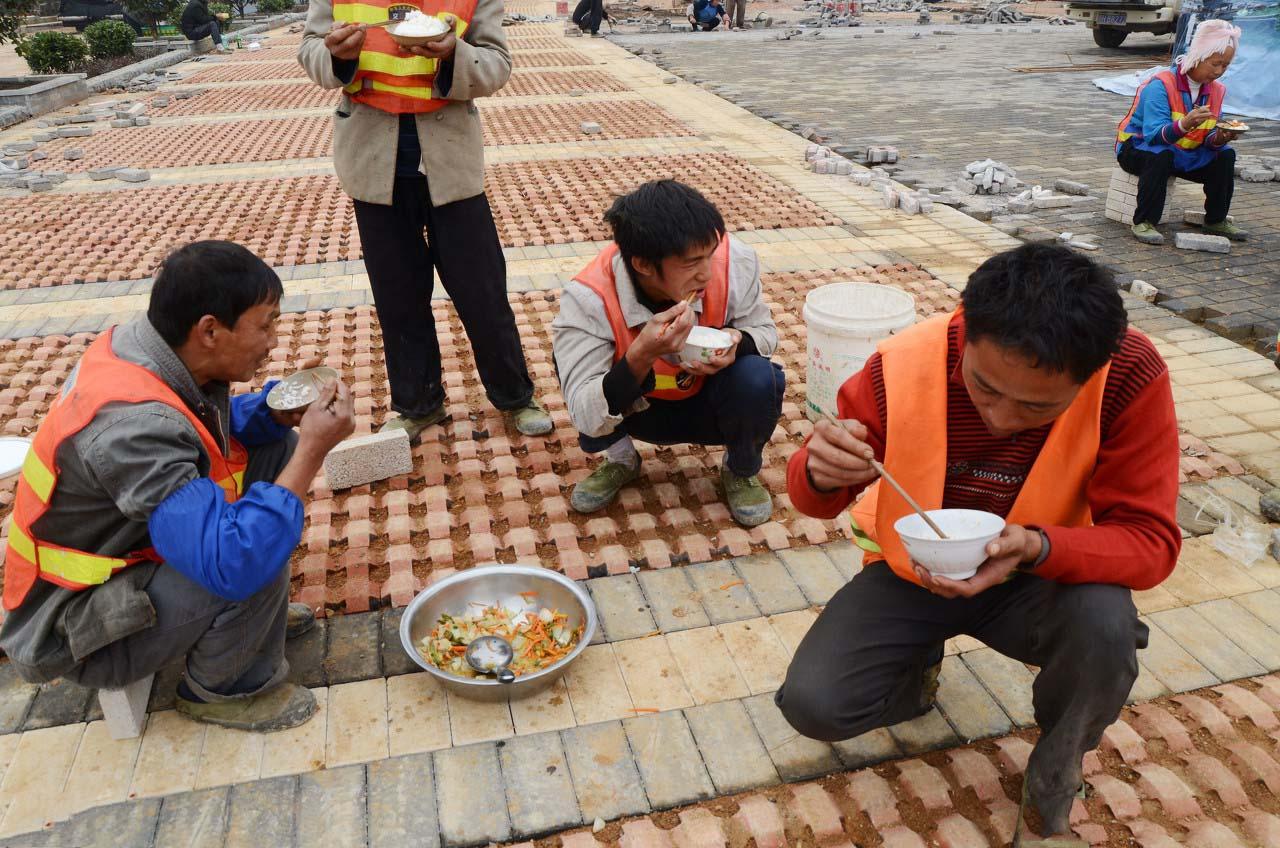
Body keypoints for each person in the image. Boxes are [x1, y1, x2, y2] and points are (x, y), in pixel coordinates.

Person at [777, 244, 1180, 846]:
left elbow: (1151, 542)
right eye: (984, 387)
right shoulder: (902, 363)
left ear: (1092, 370)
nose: (999, 417)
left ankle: (1055, 772)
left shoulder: (1127, 374)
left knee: (1106, 625)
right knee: (814, 705)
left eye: (1037, 406)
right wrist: (818, 471)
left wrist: (1037, 547)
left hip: (1040, 579)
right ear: (966, 330)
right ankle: (916, 677)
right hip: (913, 574)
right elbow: (812, 500)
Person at [0, 241, 356, 732]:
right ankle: (227, 689)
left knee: (273, 449)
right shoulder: (134, 427)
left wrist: (270, 413)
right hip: (75, 629)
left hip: (120, 561)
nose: (273, 340)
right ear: (209, 329)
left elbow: (195, 430)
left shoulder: (149, 349)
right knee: (250, 554)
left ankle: (247, 626)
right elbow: (235, 557)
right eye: (266, 323)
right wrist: (313, 450)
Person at [298, 0, 553, 443]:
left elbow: (497, 65)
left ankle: (514, 396)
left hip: (451, 162)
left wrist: (454, 52)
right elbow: (310, 51)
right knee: (398, 296)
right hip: (373, 162)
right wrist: (337, 56)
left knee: (482, 291)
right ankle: (418, 405)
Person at [553, 180, 784, 528]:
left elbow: (766, 333)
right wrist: (641, 354)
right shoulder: (587, 299)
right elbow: (585, 412)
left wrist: (737, 340)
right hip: (639, 413)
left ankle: (740, 470)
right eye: (691, 263)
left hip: (708, 403)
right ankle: (620, 459)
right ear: (644, 264)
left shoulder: (735, 263)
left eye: (710, 253)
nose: (707, 273)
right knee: (573, 365)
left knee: (759, 377)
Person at [1115, 19, 1246, 245]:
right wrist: (1185, 124)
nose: (1219, 71)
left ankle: (1216, 220)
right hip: (1137, 148)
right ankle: (1144, 221)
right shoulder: (1161, 84)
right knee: (1161, 154)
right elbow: (1154, 136)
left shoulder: (1216, 90)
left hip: (1182, 152)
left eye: (1225, 65)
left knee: (1225, 154)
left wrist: (1220, 137)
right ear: (1198, 56)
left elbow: (1207, 139)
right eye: (1215, 63)